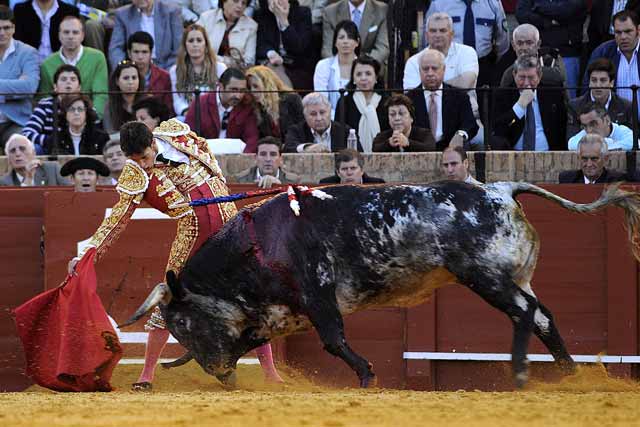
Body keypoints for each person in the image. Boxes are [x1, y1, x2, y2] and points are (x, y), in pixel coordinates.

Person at [66, 119, 283, 391]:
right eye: (135, 160)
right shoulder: (135, 174)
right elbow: (117, 220)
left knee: (251, 298)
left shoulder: (175, 133)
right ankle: (147, 375)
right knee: (168, 299)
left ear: (152, 142)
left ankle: (271, 374)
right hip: (194, 234)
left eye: (144, 157)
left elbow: (204, 147)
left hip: (229, 226)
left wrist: (218, 182)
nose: (143, 164)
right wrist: (89, 252)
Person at [403, 12, 483, 148]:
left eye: (442, 30)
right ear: (426, 34)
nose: (438, 34)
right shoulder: (413, 61)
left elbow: (466, 83)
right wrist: (445, 84)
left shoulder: (467, 52)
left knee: (480, 142)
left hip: (464, 117)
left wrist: (437, 85)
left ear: (451, 34)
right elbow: (412, 97)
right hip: (421, 123)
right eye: (433, 31)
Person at [424, 0, 509, 93]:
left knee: (483, 102)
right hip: (449, 65)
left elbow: (502, 39)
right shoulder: (439, 3)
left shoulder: (492, 3)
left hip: (483, 65)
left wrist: (492, 60)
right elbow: (427, 39)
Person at [406, 49, 478, 150]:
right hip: (418, 150)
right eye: (425, 69)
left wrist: (460, 135)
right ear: (419, 71)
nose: (430, 73)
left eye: (434, 68)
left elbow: (470, 124)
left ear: (443, 69)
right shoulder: (409, 99)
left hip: (452, 149)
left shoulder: (459, 96)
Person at [38, 16, 108, 120]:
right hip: (57, 121)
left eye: (75, 32)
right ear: (59, 35)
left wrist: (92, 118)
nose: (70, 36)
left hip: (89, 119)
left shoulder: (97, 58)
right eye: (66, 32)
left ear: (82, 36)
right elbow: (44, 98)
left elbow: (101, 94)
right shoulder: (47, 64)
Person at [492, 54, 567, 151]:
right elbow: (498, 130)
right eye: (522, 77)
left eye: (531, 78)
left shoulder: (552, 94)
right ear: (514, 75)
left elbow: (561, 128)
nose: (526, 83)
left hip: (548, 155)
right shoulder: (503, 95)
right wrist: (519, 107)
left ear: (539, 77)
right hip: (513, 157)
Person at [515, 0, 587, 98]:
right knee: (536, 99)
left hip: (567, 54)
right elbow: (521, 14)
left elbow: (565, 11)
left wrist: (537, 6)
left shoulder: (537, 4)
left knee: (568, 99)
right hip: (538, 54)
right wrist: (547, 22)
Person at [185, 67, 260, 152]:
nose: (238, 96)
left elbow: (252, 139)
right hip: (205, 157)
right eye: (233, 90)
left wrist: (243, 159)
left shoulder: (247, 106)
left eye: (242, 91)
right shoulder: (200, 103)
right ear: (220, 86)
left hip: (236, 158)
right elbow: (188, 136)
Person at [0, 5, 40, 152]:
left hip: (16, 121)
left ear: (14, 28)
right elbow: (22, 86)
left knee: (21, 146)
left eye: (7, 28)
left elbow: (29, 87)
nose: (2, 33)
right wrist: (16, 85)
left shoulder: (28, 53)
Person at [170, 24, 227, 119]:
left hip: (214, 115)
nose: (195, 44)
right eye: (191, 41)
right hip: (188, 115)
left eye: (199, 40)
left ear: (206, 44)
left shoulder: (220, 68)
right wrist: (189, 113)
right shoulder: (175, 70)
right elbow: (177, 101)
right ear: (185, 45)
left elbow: (222, 98)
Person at [567, 58, 633, 139]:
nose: (598, 85)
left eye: (603, 80)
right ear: (589, 83)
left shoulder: (626, 106)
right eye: (594, 80)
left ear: (611, 83)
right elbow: (571, 142)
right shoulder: (575, 106)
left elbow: (632, 141)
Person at [108, 0, 183, 71]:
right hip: (135, 69)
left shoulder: (172, 11)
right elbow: (116, 48)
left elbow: (179, 49)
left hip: (166, 67)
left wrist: (168, 71)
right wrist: (124, 68)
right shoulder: (123, 14)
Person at [255, 0, 314, 90]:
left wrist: (284, 22)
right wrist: (270, 53)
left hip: (298, 65)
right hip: (274, 63)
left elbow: (299, 47)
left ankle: (290, 98)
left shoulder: (303, 13)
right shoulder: (260, 15)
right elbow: (260, 43)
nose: (277, 2)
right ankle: (291, 98)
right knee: (272, 68)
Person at [22, 64, 81, 155]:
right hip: (50, 150)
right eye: (63, 79)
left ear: (79, 87)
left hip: (80, 148)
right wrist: (51, 141)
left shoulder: (86, 107)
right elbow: (27, 133)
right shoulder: (45, 105)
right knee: (34, 148)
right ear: (55, 86)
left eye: (73, 79)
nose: (68, 82)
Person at [585, 10, 640, 104]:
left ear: (638, 30)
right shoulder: (602, 52)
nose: (623, 37)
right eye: (618, 32)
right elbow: (587, 88)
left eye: (628, 31)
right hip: (613, 117)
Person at [335, 55, 387, 153]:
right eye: (359, 74)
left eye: (368, 74)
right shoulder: (344, 102)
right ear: (353, 78)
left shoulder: (386, 101)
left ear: (376, 77)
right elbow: (339, 133)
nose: (363, 78)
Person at [322, 0, 389, 67]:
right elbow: (327, 50)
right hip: (339, 67)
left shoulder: (381, 10)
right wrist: (342, 68)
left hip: (370, 67)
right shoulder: (330, 12)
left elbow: (382, 48)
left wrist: (362, 66)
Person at [314, 19, 360, 117]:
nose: (345, 42)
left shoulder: (363, 67)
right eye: (341, 37)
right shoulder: (323, 66)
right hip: (329, 118)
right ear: (335, 42)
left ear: (357, 42)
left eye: (350, 37)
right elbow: (321, 101)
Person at [246, 65, 304, 138]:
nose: (252, 91)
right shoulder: (258, 109)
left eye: (255, 86)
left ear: (267, 84)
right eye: (249, 87)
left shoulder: (292, 99)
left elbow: (303, 129)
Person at [284, 92, 352, 153]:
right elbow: (288, 148)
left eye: (322, 112)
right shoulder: (296, 130)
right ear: (305, 116)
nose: (319, 118)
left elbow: (357, 153)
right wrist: (307, 148)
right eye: (313, 114)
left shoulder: (345, 131)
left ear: (330, 112)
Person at [13, 0, 80, 62]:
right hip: (28, 65)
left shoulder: (70, 11)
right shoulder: (20, 10)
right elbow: (17, 42)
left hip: (61, 65)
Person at [196, 0, 258, 67]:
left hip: (235, 74)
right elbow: (195, 48)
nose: (240, 6)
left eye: (244, 3)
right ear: (224, 1)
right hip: (205, 67)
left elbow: (249, 62)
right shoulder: (206, 18)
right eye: (235, 1)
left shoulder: (251, 26)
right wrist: (223, 61)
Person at [127, 31, 174, 116]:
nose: (140, 57)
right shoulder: (122, 76)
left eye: (144, 52)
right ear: (129, 53)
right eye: (136, 52)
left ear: (151, 53)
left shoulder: (165, 77)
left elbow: (169, 110)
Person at [44, 94, 110, 155]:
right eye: (72, 109)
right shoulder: (55, 139)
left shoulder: (101, 137)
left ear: (86, 113)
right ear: (65, 113)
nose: (76, 113)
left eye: (80, 109)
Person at [0, 134, 67, 186]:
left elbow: (71, 195)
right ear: (8, 159)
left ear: (33, 153)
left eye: (22, 149)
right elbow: (18, 203)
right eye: (12, 151)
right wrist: (28, 179)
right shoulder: (4, 182)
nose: (17, 154)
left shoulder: (53, 169)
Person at [559, 133, 628, 184]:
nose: (589, 164)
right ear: (579, 158)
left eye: (594, 159)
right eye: (584, 159)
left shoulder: (616, 181)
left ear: (605, 159)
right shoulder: (567, 180)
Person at [234, 136, 301, 188]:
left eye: (273, 154)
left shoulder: (294, 181)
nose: (268, 159)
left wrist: (280, 187)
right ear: (256, 158)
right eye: (263, 154)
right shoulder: (241, 180)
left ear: (280, 159)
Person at [103, 61, 147, 134]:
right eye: (126, 78)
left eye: (134, 78)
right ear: (117, 81)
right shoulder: (109, 106)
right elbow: (110, 133)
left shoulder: (147, 103)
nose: (130, 82)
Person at [567, 104, 633, 151]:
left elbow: (633, 144)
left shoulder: (621, 130)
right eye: (584, 126)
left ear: (607, 120)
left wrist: (595, 146)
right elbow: (572, 144)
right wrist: (608, 143)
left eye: (593, 124)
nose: (589, 130)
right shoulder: (585, 131)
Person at [318, 148, 385, 184]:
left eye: (353, 168)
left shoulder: (377, 184)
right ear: (338, 172)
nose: (349, 173)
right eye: (344, 169)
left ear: (362, 170)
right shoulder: (326, 184)